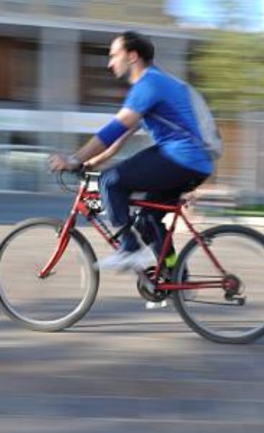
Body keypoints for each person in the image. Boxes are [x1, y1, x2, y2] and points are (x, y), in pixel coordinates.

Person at [49, 30, 213, 272]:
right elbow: (119, 141)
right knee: (148, 218)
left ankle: (129, 249)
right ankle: (176, 275)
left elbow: (114, 130)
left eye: (114, 55)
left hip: (180, 157)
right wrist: (91, 163)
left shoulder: (149, 84)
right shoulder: (154, 84)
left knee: (110, 182)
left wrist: (74, 159)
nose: (110, 62)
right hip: (192, 163)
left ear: (132, 56)